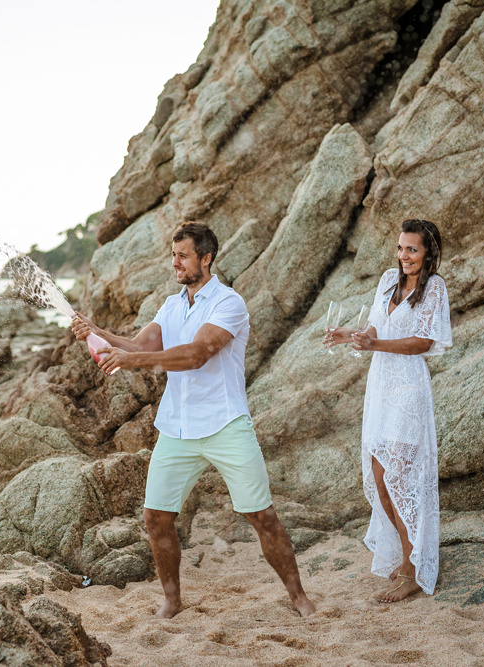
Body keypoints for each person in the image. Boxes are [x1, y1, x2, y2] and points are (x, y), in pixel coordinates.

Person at [71, 221, 315, 619]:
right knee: (156, 517)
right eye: (173, 255)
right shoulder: (171, 305)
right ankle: (172, 600)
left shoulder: (228, 303)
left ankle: (298, 597)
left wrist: (133, 361)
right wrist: (94, 332)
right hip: (177, 428)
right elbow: (137, 344)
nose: (175, 263)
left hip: (225, 424)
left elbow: (197, 353)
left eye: (183, 256)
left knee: (262, 517)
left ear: (206, 258)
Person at [324, 219, 452, 603]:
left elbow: (423, 342)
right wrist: (348, 335)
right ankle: (404, 554)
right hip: (380, 385)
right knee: (380, 481)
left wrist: (375, 346)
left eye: (411, 249)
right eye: (400, 248)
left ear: (427, 252)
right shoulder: (386, 281)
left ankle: (414, 571)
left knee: (401, 478)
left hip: (409, 387)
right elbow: (375, 329)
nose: (404, 256)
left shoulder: (434, 288)